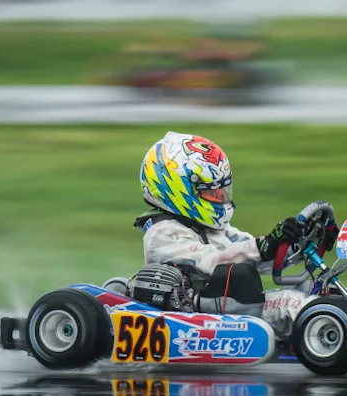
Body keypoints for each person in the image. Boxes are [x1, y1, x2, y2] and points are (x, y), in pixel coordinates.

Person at [131, 131, 334, 315]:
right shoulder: (162, 232)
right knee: (289, 302)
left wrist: (296, 243)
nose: (220, 198)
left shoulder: (208, 228)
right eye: (212, 192)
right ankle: (334, 323)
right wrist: (262, 247)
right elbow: (213, 261)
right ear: (175, 190)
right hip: (202, 314)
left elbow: (249, 252)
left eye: (222, 191)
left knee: (313, 289)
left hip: (230, 302)